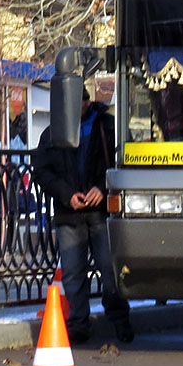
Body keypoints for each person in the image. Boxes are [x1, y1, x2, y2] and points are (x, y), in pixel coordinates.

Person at [32, 87, 133, 344]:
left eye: (79, 102)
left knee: (109, 269)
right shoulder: (52, 133)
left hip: (101, 211)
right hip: (70, 212)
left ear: (87, 102)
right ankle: (79, 324)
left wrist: (103, 186)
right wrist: (67, 195)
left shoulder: (108, 126)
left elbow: (122, 161)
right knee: (73, 273)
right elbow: (42, 171)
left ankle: (120, 319)